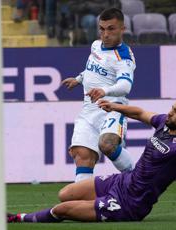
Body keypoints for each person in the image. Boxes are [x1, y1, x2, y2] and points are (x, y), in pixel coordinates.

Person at [7, 99, 176, 223]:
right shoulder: (164, 123)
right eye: (172, 108)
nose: (170, 113)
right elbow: (140, 112)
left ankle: (18, 218)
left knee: (62, 210)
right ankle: (88, 206)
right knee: (65, 194)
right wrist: (114, 106)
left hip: (131, 204)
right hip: (122, 181)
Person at [61, 8, 135, 182]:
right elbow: (92, 69)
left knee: (107, 144)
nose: (105, 34)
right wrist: (78, 79)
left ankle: (138, 180)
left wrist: (105, 91)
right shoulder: (95, 45)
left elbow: (125, 85)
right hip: (89, 111)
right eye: (102, 29)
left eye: (111, 29)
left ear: (122, 29)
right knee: (82, 154)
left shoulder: (124, 57)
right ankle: (85, 203)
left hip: (112, 109)